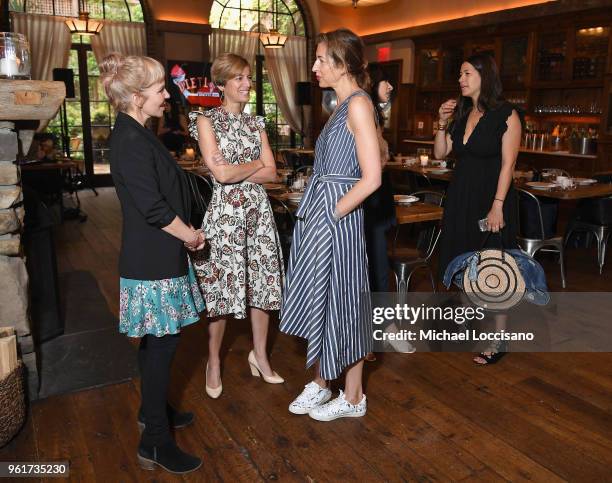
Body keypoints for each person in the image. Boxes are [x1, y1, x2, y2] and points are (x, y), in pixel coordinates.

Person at [101, 53, 205, 474]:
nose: (167, 95)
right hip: (154, 258)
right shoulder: (128, 138)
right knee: (163, 344)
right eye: (161, 89)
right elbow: (152, 207)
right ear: (138, 95)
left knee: (156, 339)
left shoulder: (137, 132)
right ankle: (156, 441)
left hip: (158, 254)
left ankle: (153, 409)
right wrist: (191, 236)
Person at [280, 29, 381, 421]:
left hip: (337, 219)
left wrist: (333, 211)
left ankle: (353, 396)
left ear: (343, 63)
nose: (315, 66)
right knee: (327, 301)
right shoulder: (341, 105)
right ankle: (324, 381)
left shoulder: (358, 105)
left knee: (346, 303)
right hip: (323, 215)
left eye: (322, 59)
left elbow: (371, 178)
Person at [188, 53, 284, 400]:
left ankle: (260, 355)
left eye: (248, 78)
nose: (246, 84)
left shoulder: (257, 122)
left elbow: (272, 174)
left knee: (263, 285)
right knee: (223, 290)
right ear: (221, 85)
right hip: (225, 217)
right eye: (238, 79)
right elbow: (222, 174)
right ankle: (213, 361)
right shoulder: (204, 121)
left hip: (258, 214)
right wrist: (256, 162)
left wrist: (244, 166)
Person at [434, 53, 521, 365]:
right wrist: (442, 123)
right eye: (460, 73)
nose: (461, 79)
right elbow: (441, 153)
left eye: (466, 73)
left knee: (494, 267)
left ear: (484, 76)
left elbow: (509, 164)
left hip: (491, 199)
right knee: (461, 258)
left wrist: (497, 206)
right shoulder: (461, 113)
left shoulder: (507, 115)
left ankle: (499, 338)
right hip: (461, 197)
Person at [363, 65, 397, 362]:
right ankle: (376, 331)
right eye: (388, 82)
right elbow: (377, 158)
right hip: (369, 201)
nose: (391, 88)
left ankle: (380, 329)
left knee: (377, 266)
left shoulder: (376, 112)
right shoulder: (366, 111)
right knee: (373, 267)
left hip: (377, 200)